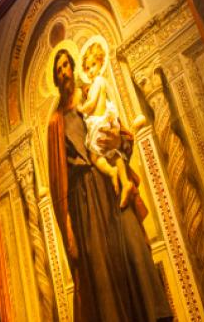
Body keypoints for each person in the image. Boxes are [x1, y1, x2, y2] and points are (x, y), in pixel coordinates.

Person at [47, 47, 172, 322]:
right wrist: (67, 227)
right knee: (102, 275)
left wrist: (119, 142)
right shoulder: (55, 123)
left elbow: (122, 135)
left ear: (73, 68)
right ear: (56, 80)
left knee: (134, 249)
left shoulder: (92, 93)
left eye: (66, 65)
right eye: (59, 70)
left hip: (112, 187)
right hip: (84, 202)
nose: (64, 72)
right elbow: (58, 183)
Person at [77, 38, 145, 208]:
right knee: (110, 154)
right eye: (87, 68)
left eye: (93, 66)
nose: (90, 71)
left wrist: (82, 108)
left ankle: (120, 177)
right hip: (101, 125)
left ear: (100, 64)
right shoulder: (94, 87)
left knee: (102, 153)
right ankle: (119, 177)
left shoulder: (98, 83)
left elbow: (93, 104)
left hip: (102, 125)